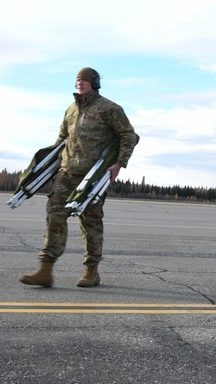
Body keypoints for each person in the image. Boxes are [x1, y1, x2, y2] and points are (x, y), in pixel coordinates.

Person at [20, 68, 139, 288]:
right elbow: (61, 139)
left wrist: (119, 164)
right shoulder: (71, 110)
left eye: (84, 80)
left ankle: (92, 271)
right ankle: (45, 270)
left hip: (92, 176)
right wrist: (49, 165)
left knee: (90, 223)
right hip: (66, 173)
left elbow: (128, 135)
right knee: (54, 216)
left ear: (95, 82)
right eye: (77, 80)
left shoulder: (110, 109)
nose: (79, 83)